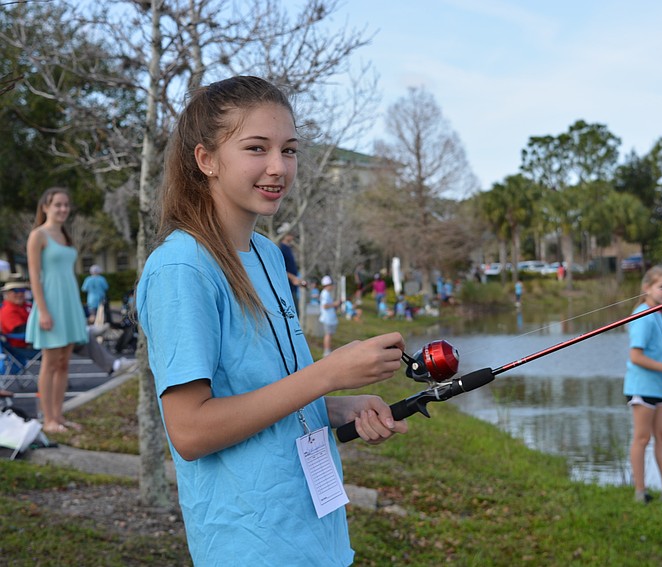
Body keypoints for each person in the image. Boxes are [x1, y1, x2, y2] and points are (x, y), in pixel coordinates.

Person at [135, 75, 407, 565]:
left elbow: (265, 389)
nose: (278, 167)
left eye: (290, 149)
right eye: (257, 148)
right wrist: (329, 372)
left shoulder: (268, 255)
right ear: (207, 160)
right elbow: (190, 431)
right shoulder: (182, 269)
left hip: (316, 535)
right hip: (250, 545)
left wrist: (338, 408)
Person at [24, 187, 89, 434]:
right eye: (57, 204)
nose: (63, 209)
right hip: (49, 304)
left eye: (66, 205)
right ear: (45, 207)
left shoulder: (65, 235)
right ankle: (47, 419)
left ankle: (59, 416)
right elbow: (34, 276)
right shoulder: (38, 235)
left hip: (69, 304)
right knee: (50, 364)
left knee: (64, 364)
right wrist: (42, 310)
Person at [624, 265, 662, 503]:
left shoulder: (659, 314)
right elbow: (635, 357)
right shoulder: (643, 315)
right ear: (646, 288)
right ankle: (640, 492)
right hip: (641, 387)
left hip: (659, 386)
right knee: (642, 438)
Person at [0, 282, 136, 377]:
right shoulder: (8, 311)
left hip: (44, 339)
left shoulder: (27, 306)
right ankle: (87, 334)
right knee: (82, 338)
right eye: (16, 291)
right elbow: (20, 332)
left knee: (83, 340)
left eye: (23, 290)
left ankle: (110, 362)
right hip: (29, 345)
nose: (21, 294)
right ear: (7, 294)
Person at [278, 232, 306, 314]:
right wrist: (292, 278)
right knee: (293, 313)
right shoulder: (281, 249)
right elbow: (279, 268)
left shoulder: (289, 248)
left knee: (297, 313)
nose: (292, 236)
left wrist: (298, 280)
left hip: (293, 287)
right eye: (289, 233)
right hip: (286, 288)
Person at [319, 275, 340, 357]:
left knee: (329, 334)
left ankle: (328, 350)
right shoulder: (325, 294)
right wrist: (335, 304)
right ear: (327, 285)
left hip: (329, 318)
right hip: (327, 318)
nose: (332, 286)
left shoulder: (326, 293)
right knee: (328, 334)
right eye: (331, 284)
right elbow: (325, 306)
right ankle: (326, 351)